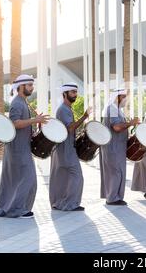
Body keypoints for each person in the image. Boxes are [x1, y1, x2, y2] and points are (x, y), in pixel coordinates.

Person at [0, 75, 49, 218]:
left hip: (22, 147)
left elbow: (23, 123)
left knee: (20, 180)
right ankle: (16, 209)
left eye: (32, 85)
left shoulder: (23, 102)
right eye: (29, 85)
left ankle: (16, 208)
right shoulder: (17, 103)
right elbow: (14, 123)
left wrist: (36, 123)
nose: (32, 87)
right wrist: (34, 120)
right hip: (17, 149)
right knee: (28, 179)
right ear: (21, 87)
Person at [50, 83, 92, 211]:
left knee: (64, 178)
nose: (75, 94)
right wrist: (84, 116)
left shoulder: (66, 109)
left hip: (66, 148)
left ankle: (61, 203)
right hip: (66, 149)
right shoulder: (63, 109)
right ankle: (70, 204)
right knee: (76, 176)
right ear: (65, 94)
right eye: (72, 92)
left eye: (75, 92)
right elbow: (70, 128)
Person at [100, 88, 139, 206]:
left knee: (119, 172)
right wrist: (130, 123)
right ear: (116, 97)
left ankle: (116, 197)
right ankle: (112, 198)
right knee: (114, 172)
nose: (125, 99)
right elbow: (116, 127)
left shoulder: (117, 110)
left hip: (119, 147)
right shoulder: (111, 108)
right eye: (123, 97)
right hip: (112, 147)